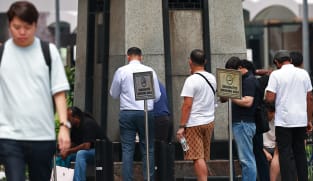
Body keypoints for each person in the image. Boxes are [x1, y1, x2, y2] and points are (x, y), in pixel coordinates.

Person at [0, 1, 70, 181]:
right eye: (17, 27)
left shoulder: (49, 52)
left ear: (35, 25)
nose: (22, 32)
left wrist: (64, 127)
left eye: (27, 27)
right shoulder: (2, 54)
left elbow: (59, 92)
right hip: (10, 136)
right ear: (9, 25)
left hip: (42, 136)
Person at [110, 47, 161, 181]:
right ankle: (148, 178)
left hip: (127, 113)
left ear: (128, 57)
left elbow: (113, 93)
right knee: (148, 148)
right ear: (141, 57)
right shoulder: (150, 71)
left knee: (127, 149)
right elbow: (157, 96)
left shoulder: (121, 71)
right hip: (145, 112)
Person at [265, 50, 313, 181]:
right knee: (300, 153)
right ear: (290, 60)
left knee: (284, 154)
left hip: (284, 121)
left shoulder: (276, 74)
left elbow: (269, 98)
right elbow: (310, 98)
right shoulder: (304, 74)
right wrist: (308, 120)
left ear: (276, 62)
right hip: (300, 120)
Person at [176, 49, 216, 181]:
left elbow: (187, 105)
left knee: (197, 157)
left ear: (190, 62)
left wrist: (182, 126)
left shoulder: (191, 80)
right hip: (209, 121)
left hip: (194, 123)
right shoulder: (212, 78)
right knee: (203, 156)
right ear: (205, 62)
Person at [221, 57, 257, 181]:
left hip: (243, 123)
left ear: (240, 68)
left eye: (232, 72)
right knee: (245, 159)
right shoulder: (242, 80)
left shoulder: (248, 80)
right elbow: (223, 99)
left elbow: (247, 102)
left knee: (246, 159)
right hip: (241, 123)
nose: (231, 75)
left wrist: (231, 96)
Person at [56, 107, 105, 181]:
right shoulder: (74, 127)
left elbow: (86, 146)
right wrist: (64, 147)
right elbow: (74, 143)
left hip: (99, 152)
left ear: (75, 118)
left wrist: (69, 151)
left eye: (68, 119)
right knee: (63, 156)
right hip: (87, 152)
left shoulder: (88, 123)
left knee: (81, 154)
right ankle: (61, 178)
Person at [263, 102, 280, 181]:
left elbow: (280, 140)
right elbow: (255, 140)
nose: (272, 115)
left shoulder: (278, 120)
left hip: (275, 148)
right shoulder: (261, 118)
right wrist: (265, 152)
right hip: (263, 148)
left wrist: (275, 155)